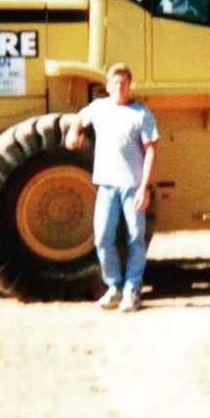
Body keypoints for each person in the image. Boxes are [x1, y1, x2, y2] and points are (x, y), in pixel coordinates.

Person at [65, 63, 158, 312]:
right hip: (106, 186)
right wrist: (73, 134)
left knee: (135, 238)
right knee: (103, 238)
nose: (119, 87)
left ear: (129, 86)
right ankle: (114, 287)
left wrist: (144, 188)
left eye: (124, 83)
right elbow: (79, 118)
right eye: (115, 83)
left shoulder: (141, 114)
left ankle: (132, 290)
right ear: (107, 87)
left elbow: (151, 152)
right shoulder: (99, 108)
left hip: (133, 187)